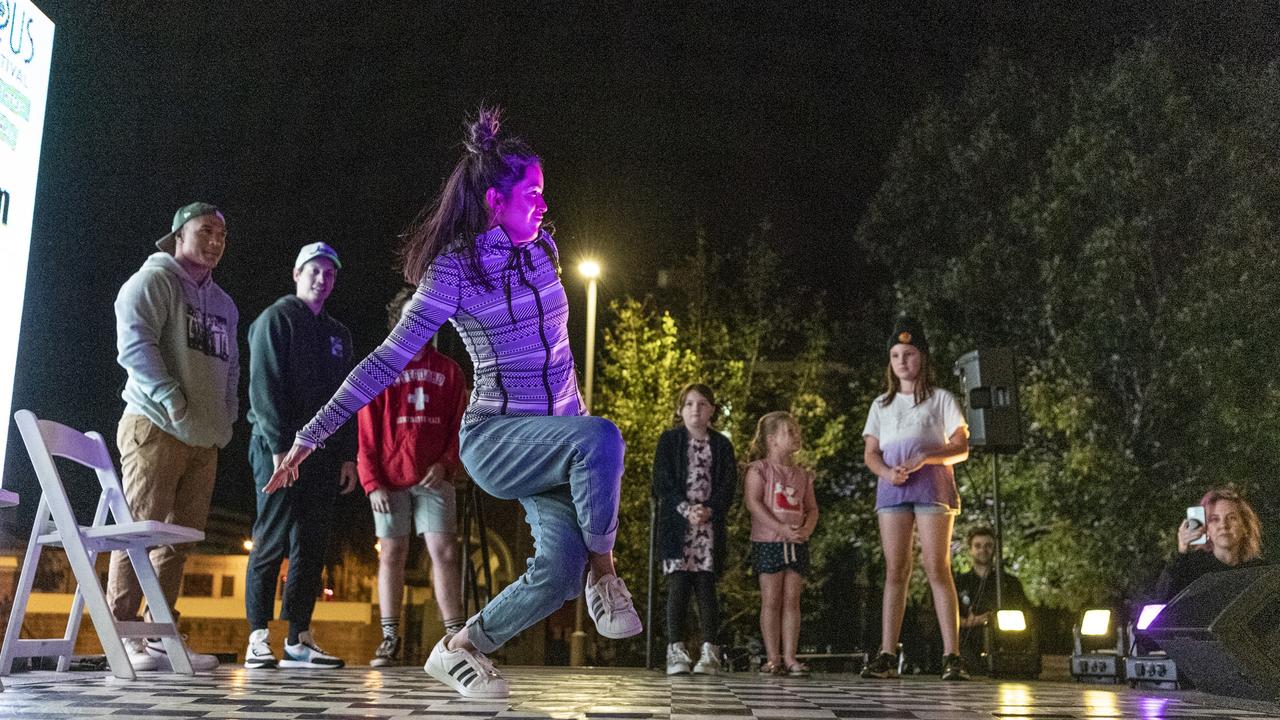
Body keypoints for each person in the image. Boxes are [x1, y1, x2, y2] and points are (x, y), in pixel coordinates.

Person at [265, 108, 641, 699]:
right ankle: (607, 575)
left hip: (555, 440)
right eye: (533, 194)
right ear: (495, 200)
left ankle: (460, 646)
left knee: (558, 573)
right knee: (604, 436)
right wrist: (310, 436)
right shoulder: (454, 272)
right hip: (496, 438)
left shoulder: (544, 249)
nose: (544, 204)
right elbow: (386, 362)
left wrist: (572, 437)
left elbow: (559, 356)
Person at [107, 202, 237, 672]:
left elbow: (232, 365)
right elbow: (134, 343)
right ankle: (120, 635)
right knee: (140, 530)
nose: (216, 242)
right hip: (155, 426)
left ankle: (160, 636)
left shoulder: (224, 304)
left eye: (222, 235)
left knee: (179, 541)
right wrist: (169, 396)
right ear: (178, 235)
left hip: (205, 439)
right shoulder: (153, 280)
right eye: (205, 231)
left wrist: (227, 414)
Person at [243, 242, 358, 670]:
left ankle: (298, 636)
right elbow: (264, 388)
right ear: (296, 273)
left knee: (311, 545)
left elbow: (347, 397)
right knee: (271, 539)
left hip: (323, 456)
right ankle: (258, 635)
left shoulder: (338, 334)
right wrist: (278, 449)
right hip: (278, 451)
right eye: (314, 270)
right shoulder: (276, 319)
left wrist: (349, 454)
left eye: (329, 273)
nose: (321, 278)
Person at [358, 287, 468, 667]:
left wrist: (446, 463)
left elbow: (460, 427)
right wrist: (372, 482)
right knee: (392, 552)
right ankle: (390, 637)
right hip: (390, 480)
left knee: (445, 551)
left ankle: (456, 635)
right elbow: (367, 433)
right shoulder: (378, 368)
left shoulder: (449, 371)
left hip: (433, 478)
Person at [861, 317, 971, 681]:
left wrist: (927, 457)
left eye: (908, 354)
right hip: (893, 487)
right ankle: (888, 654)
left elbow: (961, 446)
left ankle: (951, 655)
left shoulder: (940, 399)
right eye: (895, 355)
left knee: (937, 567)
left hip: (932, 486)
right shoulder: (881, 404)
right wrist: (886, 472)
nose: (902, 361)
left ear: (921, 356)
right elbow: (871, 453)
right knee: (896, 569)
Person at [653, 383, 737, 675]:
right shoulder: (670, 441)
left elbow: (728, 484)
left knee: (705, 588)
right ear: (680, 409)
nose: (695, 410)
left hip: (708, 528)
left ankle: (709, 652)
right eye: (689, 404)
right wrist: (686, 509)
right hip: (678, 526)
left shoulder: (722, 445)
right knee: (678, 587)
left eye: (702, 404)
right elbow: (662, 481)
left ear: (712, 410)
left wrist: (709, 509)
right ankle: (675, 651)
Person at [743, 411, 818, 677]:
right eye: (790, 432)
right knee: (771, 599)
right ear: (772, 439)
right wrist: (781, 529)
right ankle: (773, 658)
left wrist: (805, 529)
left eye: (797, 431)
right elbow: (754, 503)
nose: (796, 436)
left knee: (792, 600)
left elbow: (811, 508)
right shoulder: (759, 470)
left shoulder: (802, 475)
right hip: (768, 542)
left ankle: (790, 656)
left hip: (796, 544)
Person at [1153, 486, 1268, 601]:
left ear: (1245, 527)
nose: (1223, 525)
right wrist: (1182, 551)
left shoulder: (1261, 571)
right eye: (1214, 519)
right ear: (1206, 528)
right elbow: (1163, 599)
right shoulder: (1193, 569)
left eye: (1232, 518)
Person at [955, 525, 1028, 671]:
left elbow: (1025, 613)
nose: (983, 550)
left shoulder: (1010, 583)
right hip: (968, 643)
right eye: (978, 546)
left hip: (1005, 642)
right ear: (970, 550)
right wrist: (969, 622)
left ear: (995, 549)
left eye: (988, 546)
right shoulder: (959, 582)